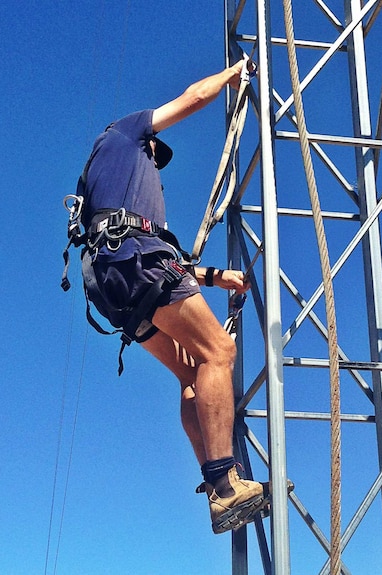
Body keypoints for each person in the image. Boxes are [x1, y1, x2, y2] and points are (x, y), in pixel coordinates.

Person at [73, 59, 266, 534]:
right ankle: (224, 487)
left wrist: (215, 277)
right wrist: (235, 73)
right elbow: (194, 97)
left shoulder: (100, 182)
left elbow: (159, 266)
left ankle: (218, 479)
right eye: (155, 154)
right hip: (138, 261)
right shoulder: (124, 131)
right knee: (218, 351)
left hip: (114, 280)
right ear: (147, 141)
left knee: (190, 371)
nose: (156, 164)